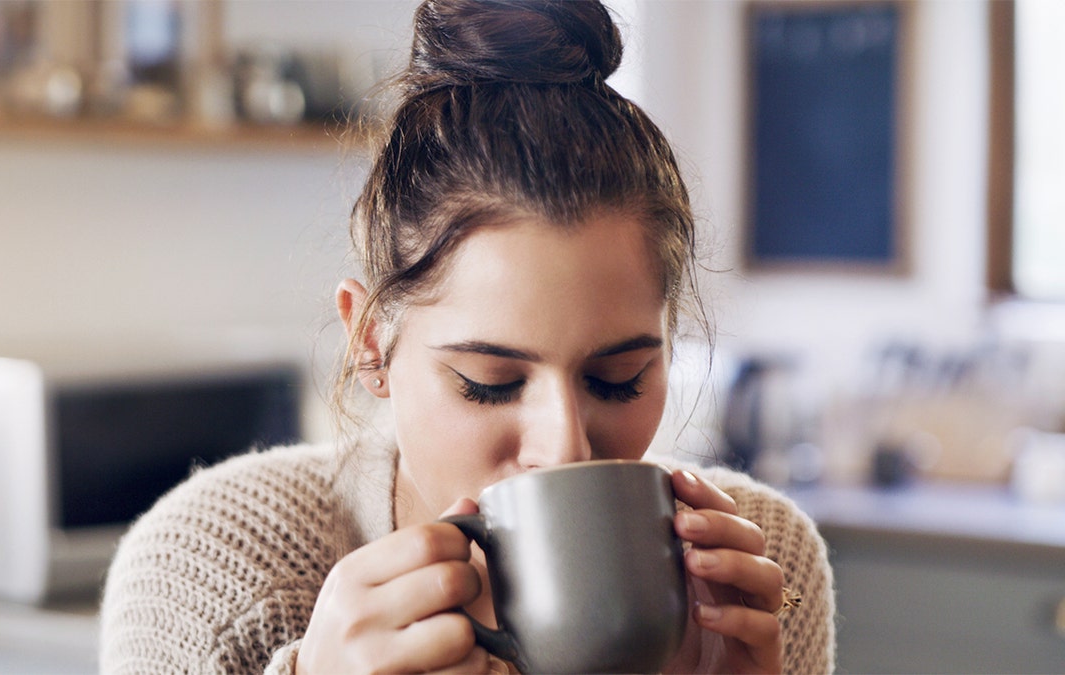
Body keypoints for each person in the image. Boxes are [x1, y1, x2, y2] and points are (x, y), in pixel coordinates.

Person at [99, 0, 836, 673]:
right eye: (490, 382)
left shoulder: (759, 570)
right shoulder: (213, 569)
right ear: (370, 341)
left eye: (617, 379)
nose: (562, 448)